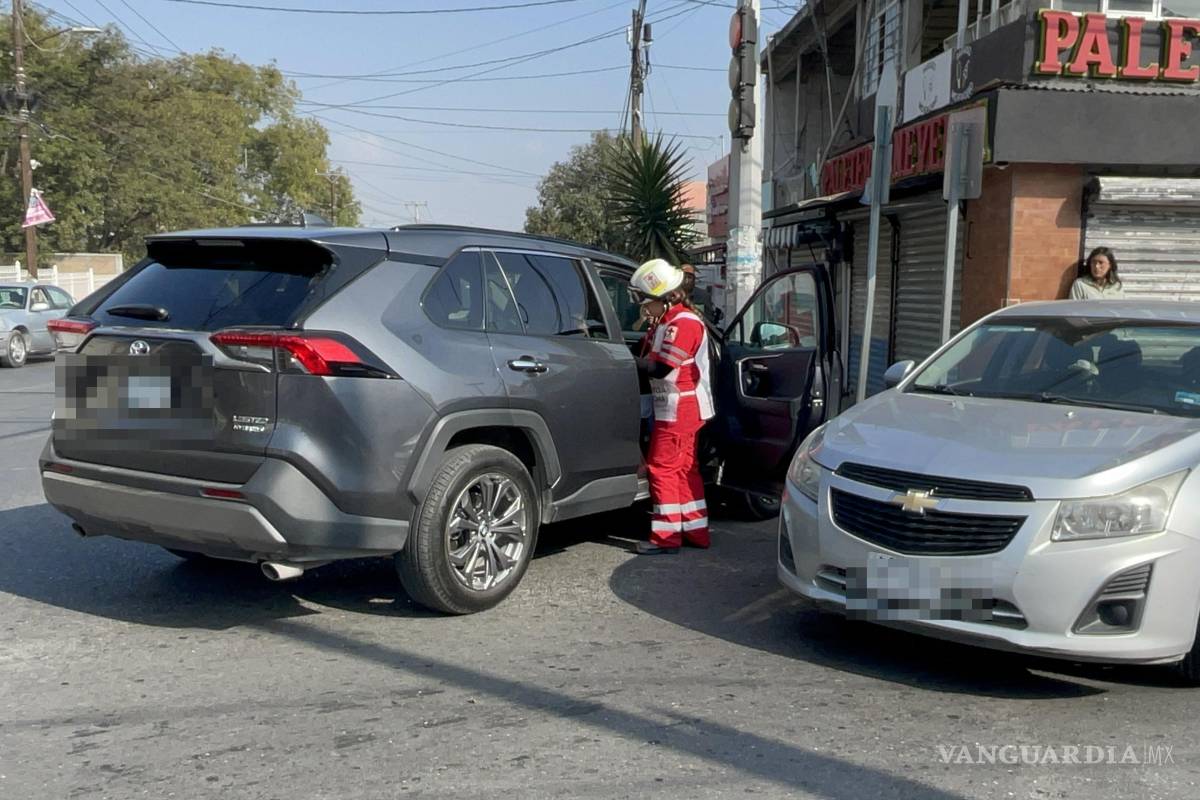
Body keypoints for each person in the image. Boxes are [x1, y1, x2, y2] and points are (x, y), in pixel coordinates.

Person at [629, 259, 715, 555]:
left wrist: (622, 362)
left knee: (662, 468)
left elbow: (663, 368)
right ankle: (695, 531)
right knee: (684, 470)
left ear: (668, 298)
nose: (643, 307)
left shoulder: (684, 323)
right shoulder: (669, 322)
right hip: (678, 407)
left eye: (647, 301)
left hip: (679, 409)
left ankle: (666, 538)